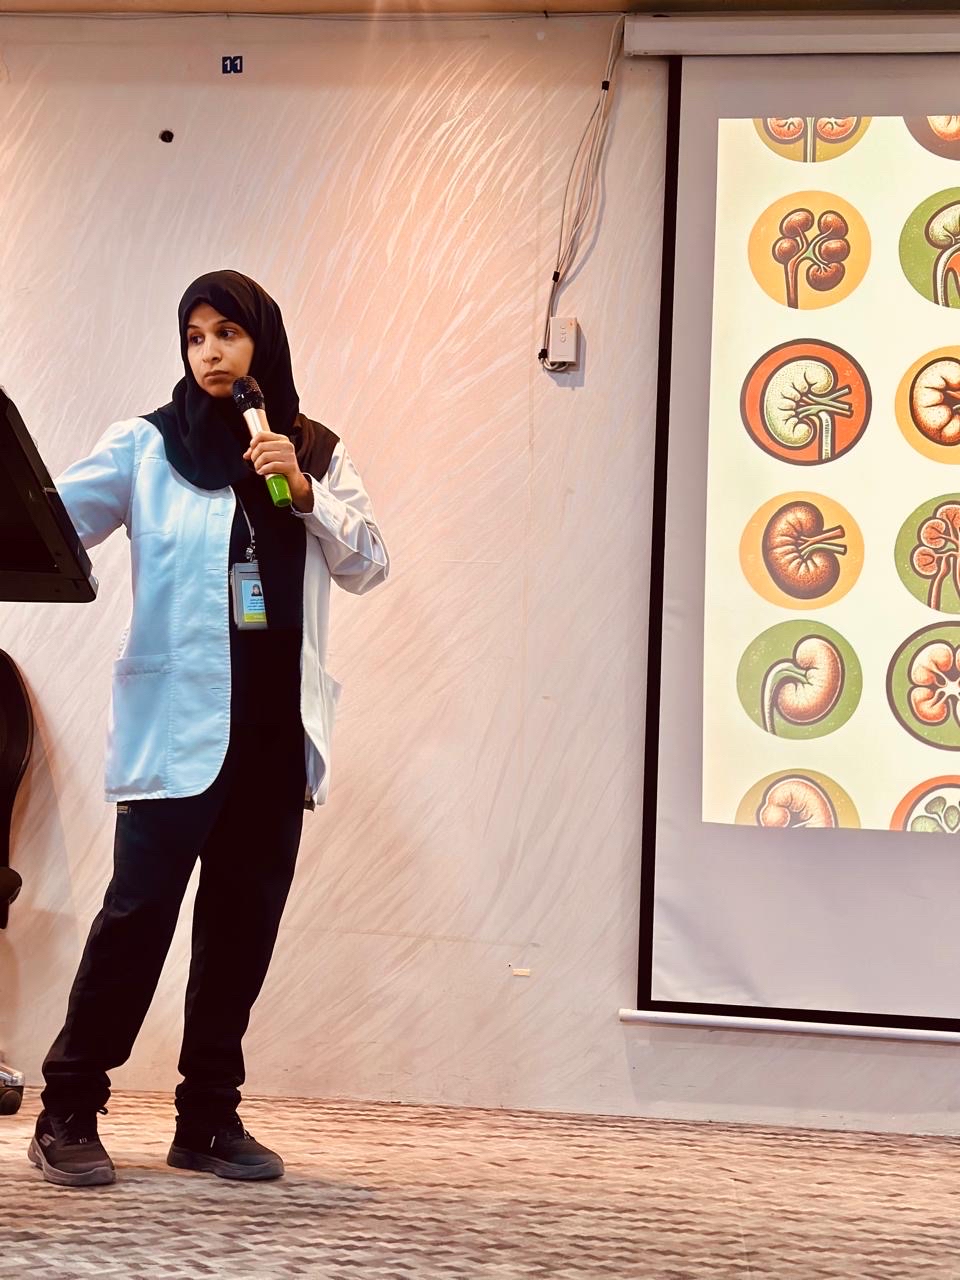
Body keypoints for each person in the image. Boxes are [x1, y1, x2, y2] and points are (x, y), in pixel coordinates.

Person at [27, 270, 389, 1187]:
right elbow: (51, 525)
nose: (211, 352)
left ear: (263, 342)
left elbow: (370, 563)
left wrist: (303, 490)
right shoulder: (147, 446)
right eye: (195, 336)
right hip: (177, 732)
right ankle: (68, 1107)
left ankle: (208, 1119)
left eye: (228, 333)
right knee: (136, 921)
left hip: (273, 740)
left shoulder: (313, 450)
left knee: (240, 932)